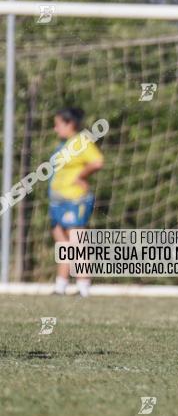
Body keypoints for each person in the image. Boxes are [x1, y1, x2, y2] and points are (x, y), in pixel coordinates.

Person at [50, 107, 104, 297]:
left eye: (57, 125)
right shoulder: (64, 144)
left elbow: (97, 161)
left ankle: (83, 287)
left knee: (76, 241)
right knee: (63, 243)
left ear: (70, 123)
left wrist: (81, 176)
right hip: (58, 200)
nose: (55, 129)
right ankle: (61, 286)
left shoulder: (81, 141)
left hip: (75, 199)